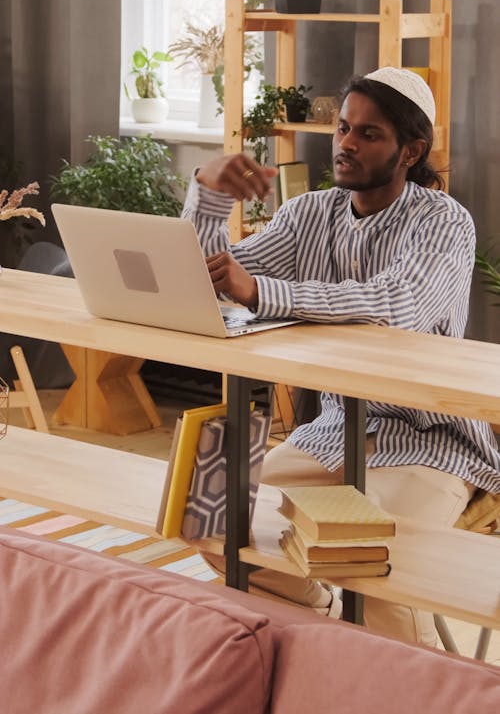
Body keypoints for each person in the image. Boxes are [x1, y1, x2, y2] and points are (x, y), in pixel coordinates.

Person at [181, 66, 500, 645]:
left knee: (369, 564)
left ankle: (412, 684)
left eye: (368, 134)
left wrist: (262, 291)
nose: (346, 144)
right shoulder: (310, 214)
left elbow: (396, 305)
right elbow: (209, 282)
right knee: (209, 520)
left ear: (412, 150)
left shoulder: (444, 222)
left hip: (430, 444)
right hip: (331, 432)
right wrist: (207, 195)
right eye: (342, 128)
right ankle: (331, 626)